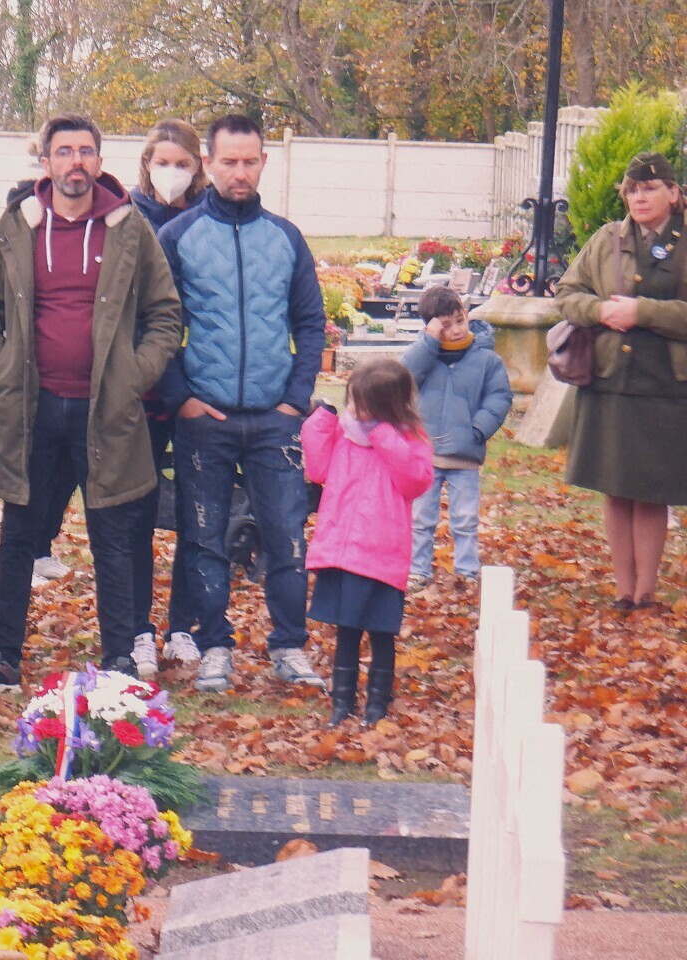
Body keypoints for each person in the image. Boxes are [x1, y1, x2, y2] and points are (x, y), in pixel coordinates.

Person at [0, 112, 182, 693]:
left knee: (112, 534)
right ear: (47, 161)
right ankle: (4, 655)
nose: (75, 162)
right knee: (19, 535)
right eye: (64, 152)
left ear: (100, 162)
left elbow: (165, 315)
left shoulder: (130, 229)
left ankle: (118, 662)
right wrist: (2, 373)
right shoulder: (17, 227)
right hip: (31, 410)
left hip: (108, 412)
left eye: (86, 151)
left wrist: (135, 375)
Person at [157, 113, 325, 694]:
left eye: (250, 161)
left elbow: (310, 323)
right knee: (204, 538)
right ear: (208, 162)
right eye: (228, 161)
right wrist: (182, 400)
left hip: (273, 419)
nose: (239, 172)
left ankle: (289, 646)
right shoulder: (177, 239)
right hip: (207, 418)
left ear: (263, 163)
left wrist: (295, 400)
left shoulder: (286, 238)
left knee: (286, 535)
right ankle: (214, 647)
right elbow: (155, 324)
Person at [556, 151, 687, 612]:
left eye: (649, 188)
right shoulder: (606, 239)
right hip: (609, 379)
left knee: (650, 489)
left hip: (666, 386)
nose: (639, 197)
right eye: (632, 190)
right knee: (615, 485)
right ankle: (622, 589)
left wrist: (642, 312)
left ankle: (646, 591)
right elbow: (567, 293)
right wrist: (600, 311)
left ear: (673, 193)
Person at [302, 361, 433, 725]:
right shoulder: (345, 435)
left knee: (381, 632)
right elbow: (318, 471)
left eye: (363, 404)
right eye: (352, 402)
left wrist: (385, 437)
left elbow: (416, 481)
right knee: (346, 630)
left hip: (382, 552)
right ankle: (341, 702)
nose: (355, 411)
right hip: (343, 550)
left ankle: (378, 702)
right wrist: (321, 423)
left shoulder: (408, 439)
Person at [128, 119, 210, 676]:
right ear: (146, 162)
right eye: (164, 162)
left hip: (200, 393)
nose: (173, 173)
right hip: (141, 392)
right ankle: (136, 628)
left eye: (184, 163)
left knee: (196, 515)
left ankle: (184, 626)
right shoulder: (125, 218)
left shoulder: (208, 221)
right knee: (132, 514)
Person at [402, 286, 511, 590]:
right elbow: (403, 378)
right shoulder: (424, 354)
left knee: (465, 519)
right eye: (445, 325)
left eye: (459, 321)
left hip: (465, 453)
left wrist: (478, 429)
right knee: (421, 518)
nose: (455, 330)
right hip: (427, 452)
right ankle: (418, 569)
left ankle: (466, 570)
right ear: (431, 326)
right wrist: (429, 342)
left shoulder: (486, 359)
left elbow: (499, 397)